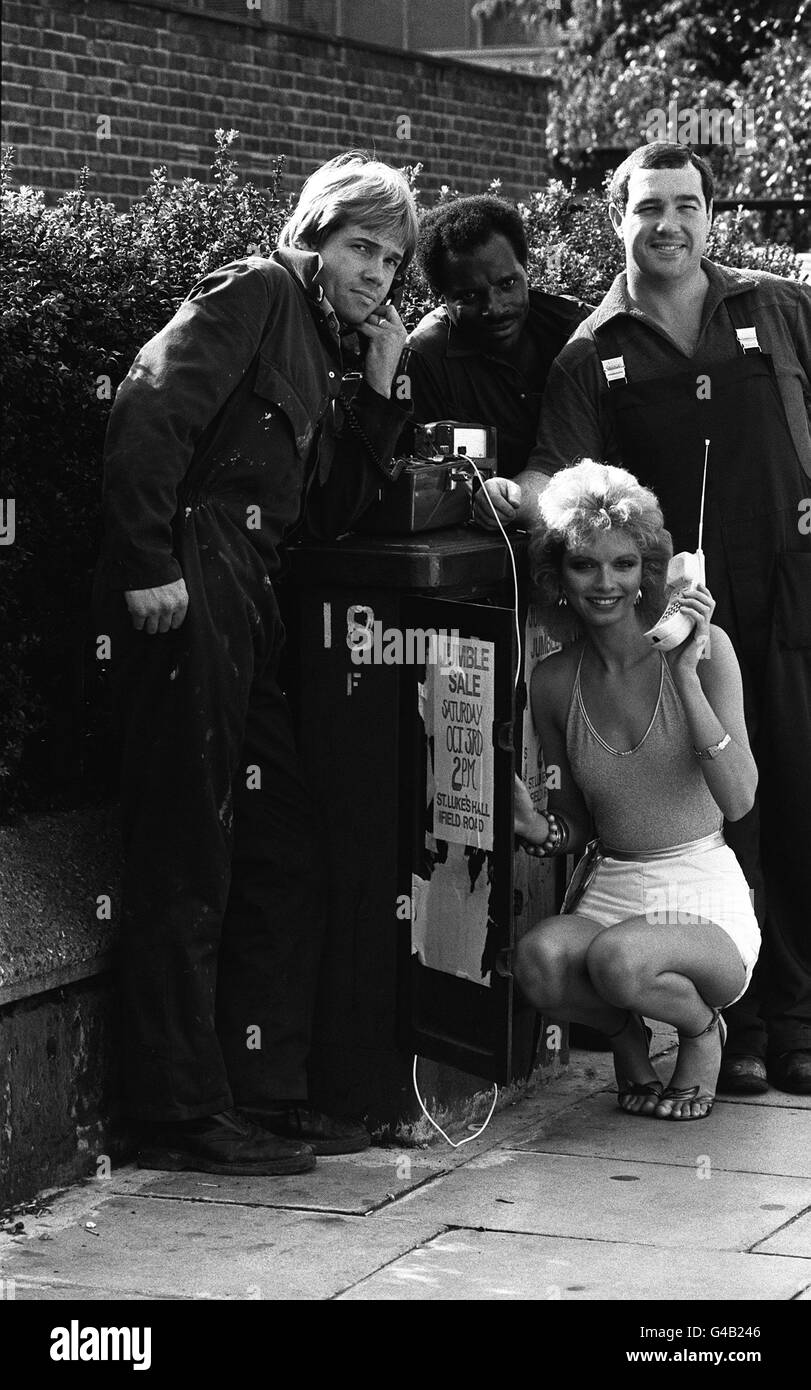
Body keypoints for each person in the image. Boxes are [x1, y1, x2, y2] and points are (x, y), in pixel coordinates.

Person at [93, 154, 418, 1176]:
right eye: (359, 246)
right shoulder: (258, 289)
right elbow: (151, 407)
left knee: (280, 841)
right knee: (187, 846)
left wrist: (376, 385)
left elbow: (326, 516)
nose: (374, 273)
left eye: (391, 259)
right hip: (193, 576)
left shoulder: (325, 348)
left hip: (253, 598)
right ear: (314, 233)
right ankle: (176, 1111)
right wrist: (147, 560)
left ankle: (260, 1086)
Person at [519, 142, 811, 1096]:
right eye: (648, 208)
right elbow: (560, 487)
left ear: (711, 214)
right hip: (677, 623)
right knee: (726, 806)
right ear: (617, 220)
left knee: (800, 800)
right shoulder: (589, 351)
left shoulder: (775, 307)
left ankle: (795, 1021)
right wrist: (507, 494)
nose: (668, 225)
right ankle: (737, 1017)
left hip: (790, 600)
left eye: (686, 205)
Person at [513, 460, 760, 1121]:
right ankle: (626, 1039)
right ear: (555, 576)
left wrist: (682, 674)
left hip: (700, 902)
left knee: (621, 959)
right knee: (537, 960)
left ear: (650, 569)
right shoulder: (552, 681)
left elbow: (738, 800)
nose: (604, 583)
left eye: (622, 564)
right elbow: (573, 825)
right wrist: (538, 830)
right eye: (583, 565)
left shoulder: (710, 653)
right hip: (612, 892)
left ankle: (701, 1034)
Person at [401, 194, 590, 514]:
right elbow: (419, 484)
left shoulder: (576, 329)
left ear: (526, 270)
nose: (495, 308)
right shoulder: (424, 359)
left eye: (507, 283)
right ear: (440, 296)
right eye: (469, 295)